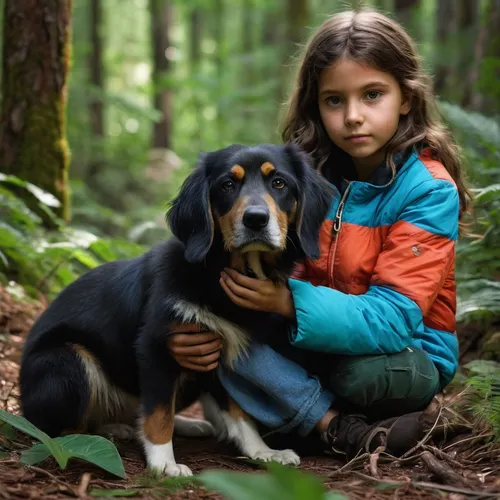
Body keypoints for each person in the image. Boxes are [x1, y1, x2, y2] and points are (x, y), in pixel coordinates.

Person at [167, 8, 471, 460]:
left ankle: (301, 415)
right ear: (315, 105)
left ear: (406, 98)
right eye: (334, 100)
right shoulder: (301, 179)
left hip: (404, 352)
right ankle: (336, 428)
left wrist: (287, 302)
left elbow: (392, 321)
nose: (352, 116)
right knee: (229, 345)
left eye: (372, 95)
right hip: (308, 337)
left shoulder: (427, 190)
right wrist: (182, 336)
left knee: (357, 377)